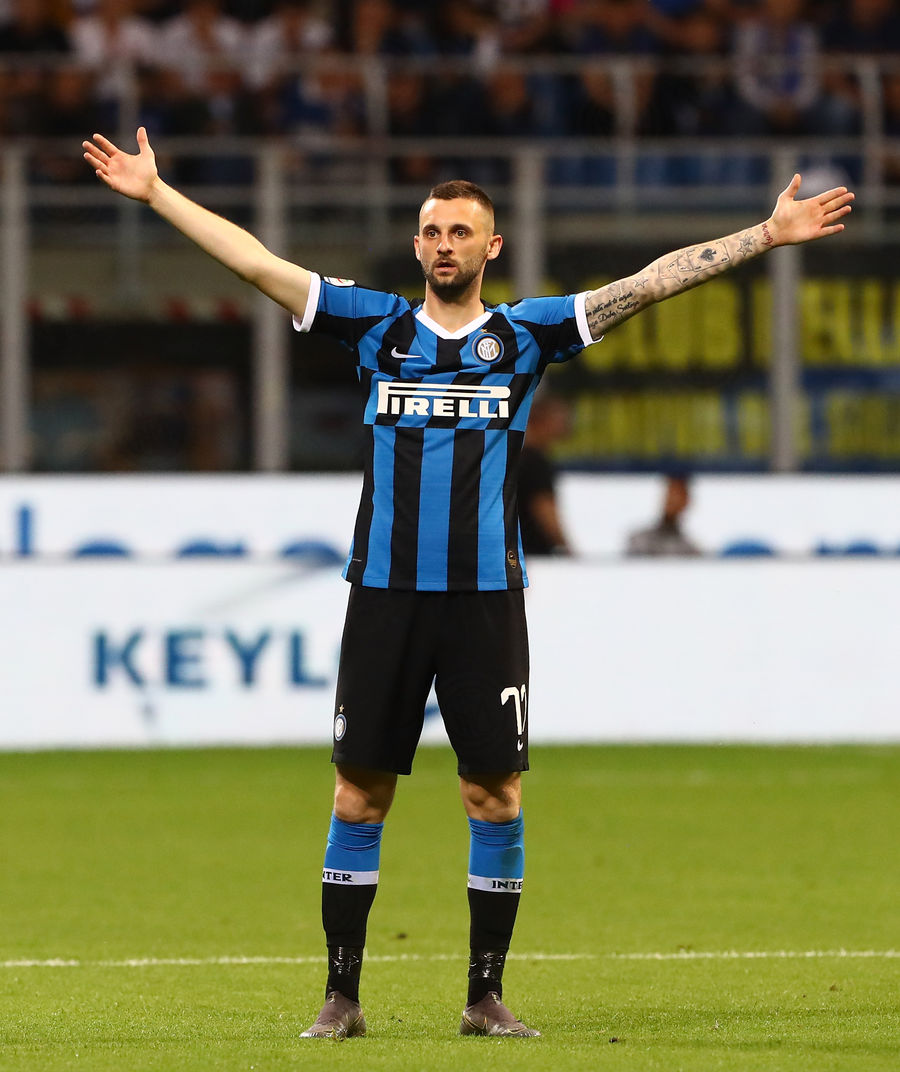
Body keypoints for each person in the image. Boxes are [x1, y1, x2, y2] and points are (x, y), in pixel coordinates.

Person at [82, 125, 853, 1039]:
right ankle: (341, 998)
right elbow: (256, 262)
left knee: (495, 796)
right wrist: (157, 194)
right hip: (386, 596)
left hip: (486, 600)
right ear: (416, 246)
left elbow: (647, 283)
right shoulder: (374, 325)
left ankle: (485, 998)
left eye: (461, 232)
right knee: (358, 796)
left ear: (492, 248)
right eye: (431, 231)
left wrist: (764, 235)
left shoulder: (525, 336)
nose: (444, 244)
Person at [517, 391, 573, 556]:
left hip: (511, 549)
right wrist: (565, 547)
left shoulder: (512, 455)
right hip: (533, 554)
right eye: (559, 419)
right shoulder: (534, 461)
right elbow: (543, 508)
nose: (566, 425)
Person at [626, 472, 701, 556]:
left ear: (686, 500)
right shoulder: (638, 540)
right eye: (670, 492)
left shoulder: (690, 550)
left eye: (678, 494)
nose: (673, 499)